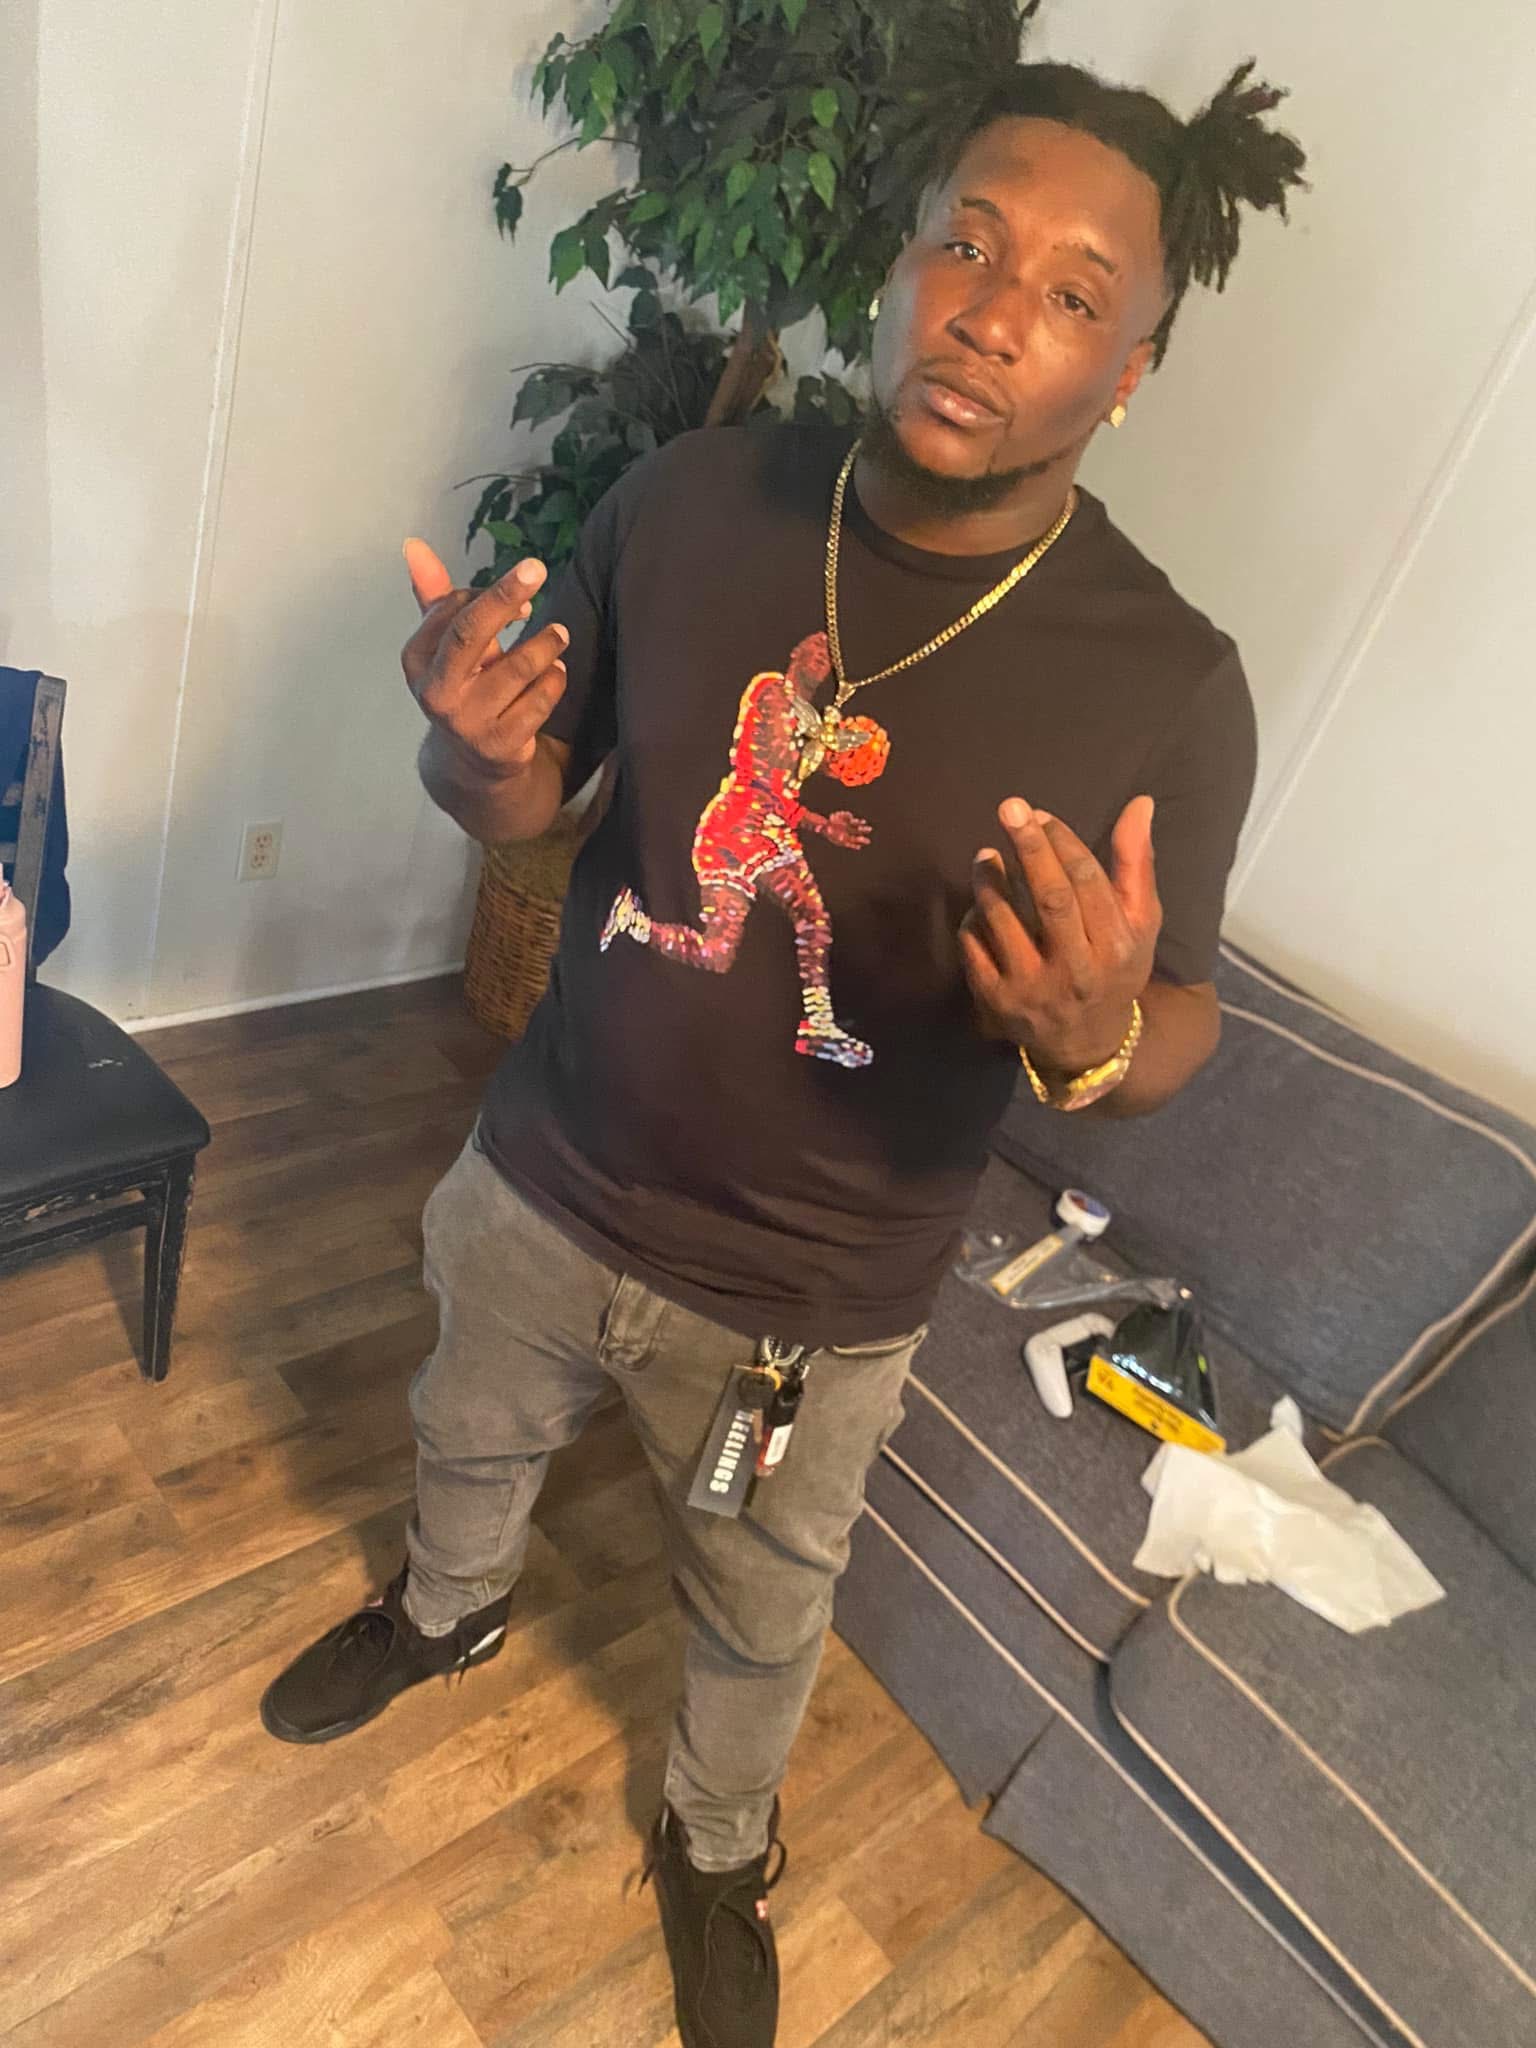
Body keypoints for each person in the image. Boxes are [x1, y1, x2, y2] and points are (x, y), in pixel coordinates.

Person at [261, 54, 1306, 2048]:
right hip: (545, 1170)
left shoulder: (1169, 681)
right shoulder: (693, 499)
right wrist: (466, 756)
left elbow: (1178, 1020)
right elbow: (536, 798)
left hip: (808, 1302)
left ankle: (717, 1837)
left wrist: (1094, 1041)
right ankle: (446, 1611)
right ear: (900, 264)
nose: (993, 313)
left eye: (1074, 293)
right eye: (967, 244)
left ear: (1133, 368)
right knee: (468, 1430)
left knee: (759, 1603)